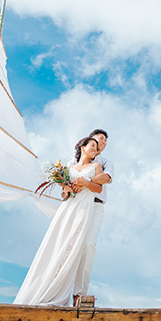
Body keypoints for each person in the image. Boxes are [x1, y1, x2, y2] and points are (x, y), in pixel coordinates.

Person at [14, 136, 109, 306]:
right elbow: (64, 194)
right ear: (82, 147)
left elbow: (99, 188)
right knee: (57, 243)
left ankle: (63, 290)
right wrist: (65, 189)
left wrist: (86, 182)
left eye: (97, 147)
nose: (95, 149)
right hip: (67, 209)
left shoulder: (96, 166)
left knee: (73, 246)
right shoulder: (69, 167)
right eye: (92, 145)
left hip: (83, 209)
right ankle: (43, 286)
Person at [67, 129, 113, 306]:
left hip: (95, 205)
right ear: (88, 141)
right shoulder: (73, 161)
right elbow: (65, 180)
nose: (103, 143)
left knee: (88, 244)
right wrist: (73, 183)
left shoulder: (105, 162)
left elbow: (105, 179)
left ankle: (79, 293)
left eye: (105, 141)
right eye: (100, 139)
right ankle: (62, 288)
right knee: (69, 245)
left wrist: (84, 181)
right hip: (75, 205)